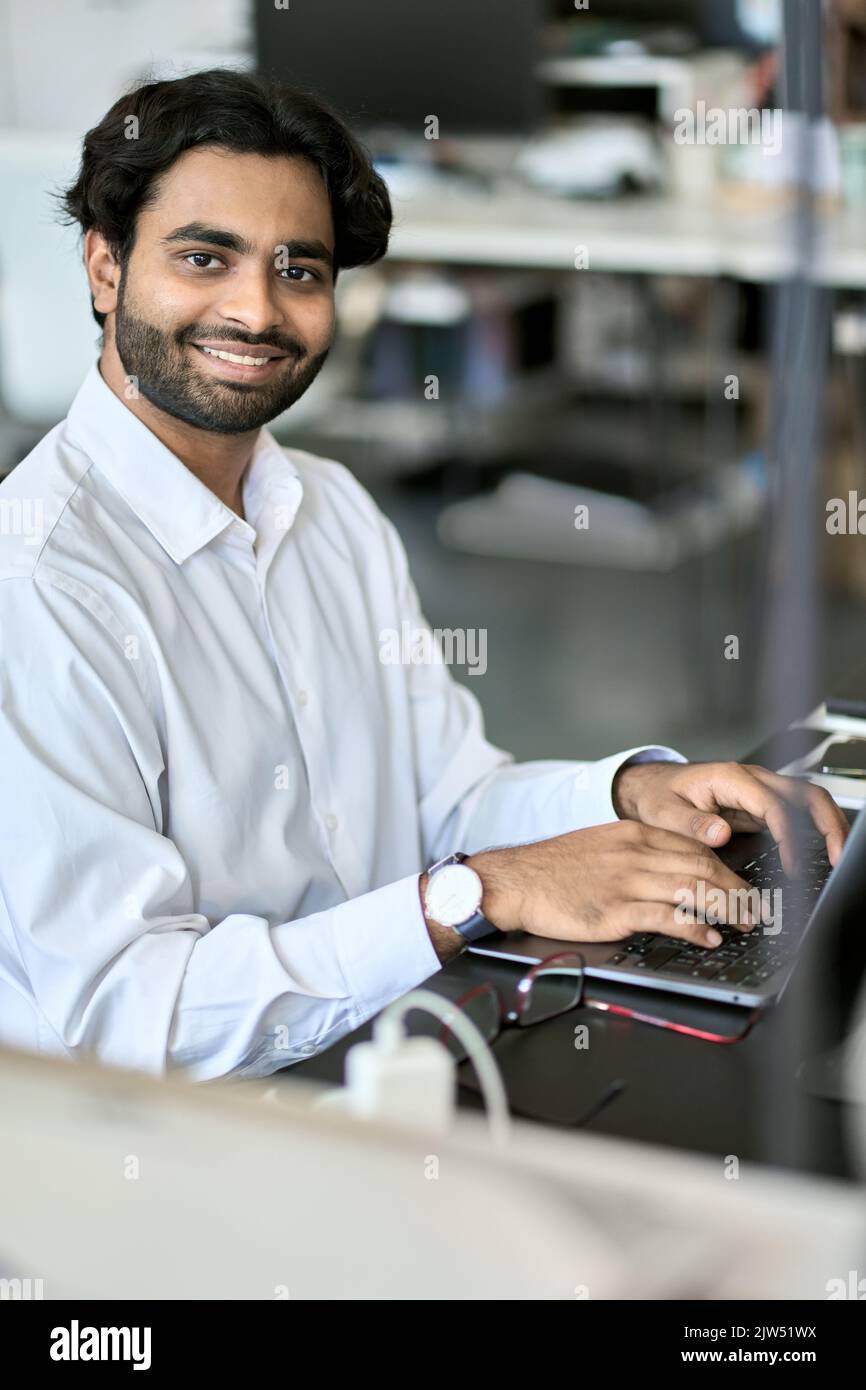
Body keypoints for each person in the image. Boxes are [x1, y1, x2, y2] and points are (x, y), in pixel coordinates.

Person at [0, 70, 847, 1081]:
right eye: (202, 257)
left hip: (395, 1050)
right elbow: (123, 1012)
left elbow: (446, 800)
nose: (255, 309)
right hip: (188, 1138)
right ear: (105, 267)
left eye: (298, 269)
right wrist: (471, 894)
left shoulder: (330, 510)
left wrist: (626, 793)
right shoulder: (38, 583)